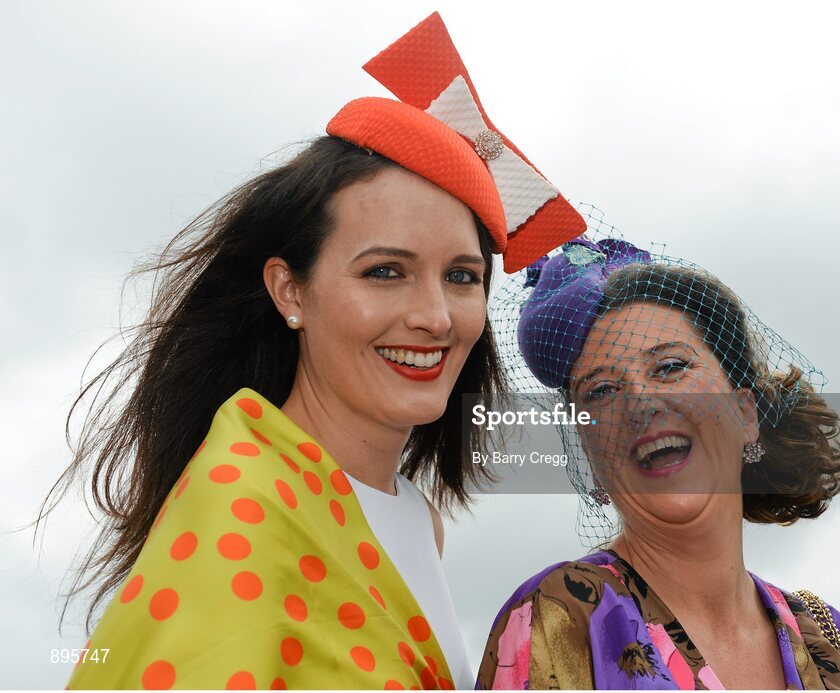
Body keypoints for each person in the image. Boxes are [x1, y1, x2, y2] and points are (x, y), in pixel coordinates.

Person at [53, 13, 585, 690]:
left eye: (461, 276)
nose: (433, 316)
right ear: (289, 290)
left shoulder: (418, 520)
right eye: (384, 272)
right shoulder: (242, 499)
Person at [477, 236, 840, 690]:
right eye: (601, 391)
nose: (641, 403)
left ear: (745, 413)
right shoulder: (565, 614)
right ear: (589, 458)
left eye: (670, 367)